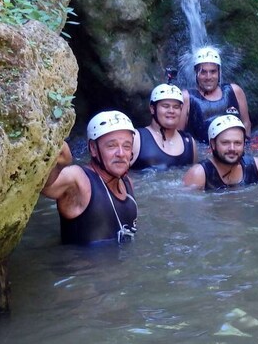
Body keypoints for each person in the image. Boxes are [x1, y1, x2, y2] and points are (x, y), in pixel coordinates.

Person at [41, 111, 139, 245]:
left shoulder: (127, 183)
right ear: (93, 148)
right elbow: (45, 187)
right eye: (112, 146)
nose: (121, 153)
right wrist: (60, 164)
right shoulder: (78, 179)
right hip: (84, 265)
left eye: (127, 146)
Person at [179, 46, 252, 143]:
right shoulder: (186, 97)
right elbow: (178, 134)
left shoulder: (235, 91)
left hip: (234, 150)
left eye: (213, 71)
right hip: (204, 151)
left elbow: (246, 123)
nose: (208, 77)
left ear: (219, 72)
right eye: (203, 72)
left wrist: (242, 147)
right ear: (196, 73)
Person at [182, 114, 258, 191]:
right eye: (225, 143)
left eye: (237, 143)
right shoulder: (199, 175)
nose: (232, 148)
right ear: (213, 144)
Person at [131, 84, 197, 171]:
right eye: (165, 106)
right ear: (152, 109)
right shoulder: (136, 138)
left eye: (176, 107)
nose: (171, 111)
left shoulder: (189, 142)